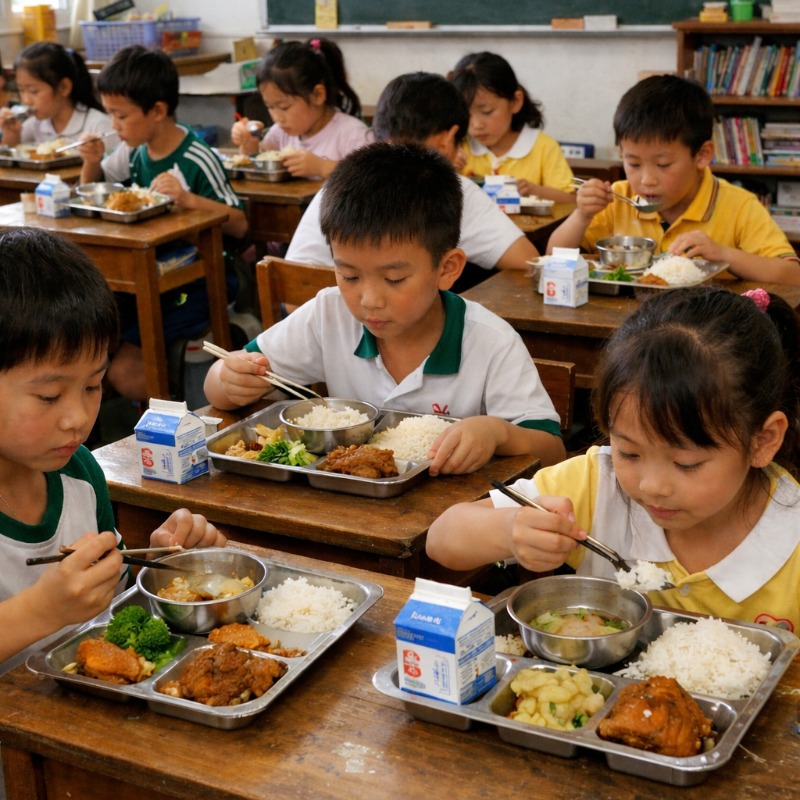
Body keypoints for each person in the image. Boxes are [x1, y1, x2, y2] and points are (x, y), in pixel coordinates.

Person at [427, 285, 800, 632]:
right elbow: (442, 539)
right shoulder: (598, 484)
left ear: (762, 441)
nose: (651, 485)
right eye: (629, 452)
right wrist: (510, 531)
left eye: (686, 463)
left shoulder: (791, 538)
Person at [205, 142, 566, 474]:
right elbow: (222, 379)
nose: (369, 300)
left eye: (394, 279)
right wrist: (229, 380)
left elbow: (553, 451)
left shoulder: (490, 342)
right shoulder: (329, 314)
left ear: (447, 268)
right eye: (349, 276)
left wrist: (498, 433)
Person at [0, 228, 226, 675]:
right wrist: (39, 611)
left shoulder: (78, 471)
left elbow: (109, 607)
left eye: (93, 386)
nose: (77, 418)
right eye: (49, 396)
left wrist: (156, 568)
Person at [78, 45, 248, 402]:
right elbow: (97, 191)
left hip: (202, 280)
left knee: (125, 370)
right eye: (110, 115)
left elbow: (240, 225)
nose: (113, 126)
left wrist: (189, 199)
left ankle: (173, 400)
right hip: (153, 273)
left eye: (120, 115)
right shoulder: (135, 152)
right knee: (91, 331)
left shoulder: (196, 156)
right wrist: (91, 161)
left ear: (157, 111)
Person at [286, 72, 539, 289]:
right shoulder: (447, 186)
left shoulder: (342, 177)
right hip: (368, 324)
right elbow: (527, 261)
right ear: (447, 139)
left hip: (300, 314)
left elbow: (292, 291)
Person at [548, 74, 800, 284]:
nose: (646, 180)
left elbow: (792, 275)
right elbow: (553, 260)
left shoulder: (739, 205)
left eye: (663, 165)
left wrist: (723, 254)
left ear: (702, 155)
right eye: (633, 163)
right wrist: (582, 215)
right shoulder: (618, 198)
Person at [230, 38, 370, 180]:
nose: (277, 118)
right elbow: (261, 170)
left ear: (317, 95)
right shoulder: (279, 133)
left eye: (284, 107)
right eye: (270, 107)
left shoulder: (352, 135)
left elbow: (372, 181)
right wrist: (249, 146)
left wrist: (323, 167)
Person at [449, 51, 574, 203]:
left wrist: (534, 191)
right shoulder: (458, 148)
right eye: (466, 114)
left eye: (487, 111)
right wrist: (448, 171)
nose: (476, 125)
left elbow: (570, 200)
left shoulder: (543, 147)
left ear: (515, 101)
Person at [0, 42, 114, 148]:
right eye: (21, 90)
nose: (26, 100)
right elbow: (13, 156)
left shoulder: (99, 125)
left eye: (34, 91)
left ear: (64, 87)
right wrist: (12, 134)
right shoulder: (34, 125)